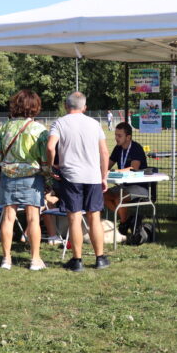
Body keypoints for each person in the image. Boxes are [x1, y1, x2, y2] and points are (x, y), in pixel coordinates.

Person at [47, 92, 111, 272]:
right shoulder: (94, 123)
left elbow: (51, 146)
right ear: (84, 107)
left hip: (71, 176)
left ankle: (77, 260)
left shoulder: (59, 123)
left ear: (66, 106)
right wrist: (103, 176)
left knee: (74, 217)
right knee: (94, 217)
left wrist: (51, 167)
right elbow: (104, 153)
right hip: (93, 176)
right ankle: (100, 258)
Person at [0, 89, 51, 271]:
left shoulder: (4, 128)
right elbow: (44, 158)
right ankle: (35, 259)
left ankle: (6, 259)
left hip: (8, 176)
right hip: (32, 178)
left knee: (8, 218)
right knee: (33, 218)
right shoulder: (39, 130)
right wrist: (48, 177)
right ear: (35, 107)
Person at [103, 122, 148, 224]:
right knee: (101, 195)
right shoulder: (118, 148)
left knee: (119, 198)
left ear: (128, 137)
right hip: (123, 186)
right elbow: (107, 166)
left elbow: (133, 169)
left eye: (119, 136)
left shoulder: (136, 148)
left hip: (139, 187)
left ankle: (123, 225)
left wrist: (114, 171)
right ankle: (127, 220)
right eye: (115, 135)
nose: (116, 138)